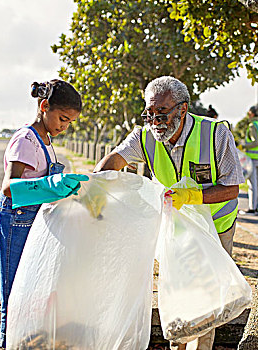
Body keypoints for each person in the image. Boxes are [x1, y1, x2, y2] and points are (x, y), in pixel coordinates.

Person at [94, 76, 244, 350]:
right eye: (149, 113)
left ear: (183, 108)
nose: (155, 120)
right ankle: (178, 345)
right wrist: (96, 186)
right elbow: (115, 160)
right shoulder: (144, 137)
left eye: (162, 112)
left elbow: (232, 188)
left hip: (216, 227)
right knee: (178, 287)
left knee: (209, 296)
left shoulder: (215, 133)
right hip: (177, 228)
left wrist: (192, 196)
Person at [0, 79, 89, 347]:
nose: (64, 127)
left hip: (28, 221)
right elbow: (9, 187)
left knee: (29, 287)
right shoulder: (26, 139)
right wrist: (49, 185)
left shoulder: (45, 139)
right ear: (44, 107)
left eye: (70, 123)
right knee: (13, 294)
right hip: (11, 220)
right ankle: (8, 342)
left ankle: (27, 341)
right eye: (62, 119)